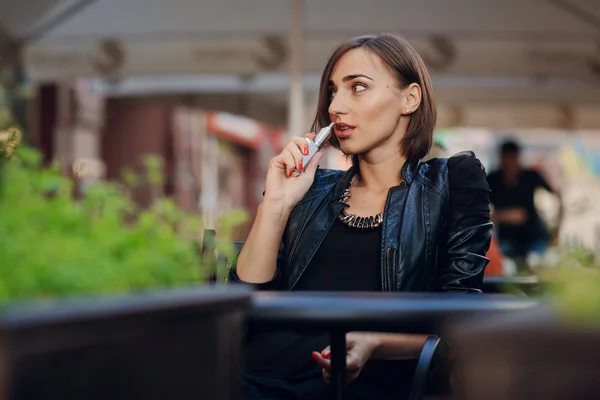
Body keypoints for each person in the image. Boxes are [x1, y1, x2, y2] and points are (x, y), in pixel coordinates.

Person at [231, 33, 492, 400]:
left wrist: (376, 344)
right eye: (333, 91)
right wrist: (275, 205)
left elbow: (461, 324)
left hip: (368, 385)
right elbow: (245, 303)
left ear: (409, 98)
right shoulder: (310, 188)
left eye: (358, 87)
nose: (336, 106)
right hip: (258, 378)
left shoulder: (450, 184)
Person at [486, 140, 563, 260]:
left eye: (512, 157)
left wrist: (556, 229)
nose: (509, 162)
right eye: (506, 158)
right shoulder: (492, 179)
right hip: (506, 240)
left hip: (534, 237)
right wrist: (503, 216)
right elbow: (477, 209)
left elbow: (556, 196)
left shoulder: (531, 176)